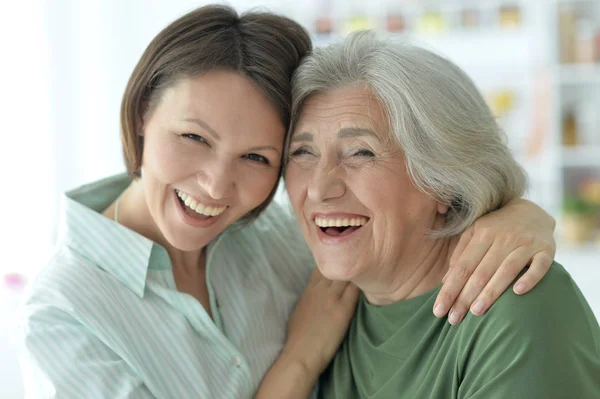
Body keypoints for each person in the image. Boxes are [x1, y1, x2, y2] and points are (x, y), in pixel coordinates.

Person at [16, 6, 557, 399]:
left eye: (256, 157)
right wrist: (297, 361)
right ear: (140, 115)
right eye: (194, 139)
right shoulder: (64, 315)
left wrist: (517, 213)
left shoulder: (280, 240)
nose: (216, 187)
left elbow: (398, 220)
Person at [284, 31, 600, 399]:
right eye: (303, 152)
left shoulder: (519, 306)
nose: (320, 188)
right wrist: (297, 360)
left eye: (360, 152)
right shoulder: (313, 303)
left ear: (444, 180)